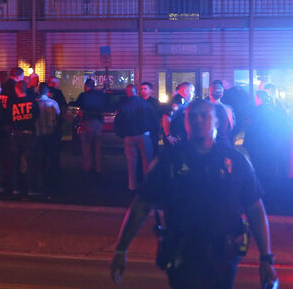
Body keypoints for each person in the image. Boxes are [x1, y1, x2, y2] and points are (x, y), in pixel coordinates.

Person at [109, 99, 277, 289]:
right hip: (183, 258)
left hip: (223, 259)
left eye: (204, 115)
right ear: (186, 122)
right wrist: (121, 249)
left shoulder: (235, 163)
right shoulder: (169, 161)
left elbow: (255, 208)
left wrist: (266, 258)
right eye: (192, 116)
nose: (198, 120)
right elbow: (141, 205)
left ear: (216, 122)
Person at [114, 84, 157, 191]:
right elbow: (153, 119)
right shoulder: (145, 104)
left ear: (127, 92)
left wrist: (122, 134)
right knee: (147, 160)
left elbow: (118, 122)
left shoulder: (123, 105)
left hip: (129, 136)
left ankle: (132, 185)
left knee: (131, 162)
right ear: (135, 91)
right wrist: (153, 133)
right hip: (144, 135)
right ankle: (148, 185)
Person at [3, 80, 38, 196]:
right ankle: (32, 188)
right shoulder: (32, 102)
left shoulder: (11, 103)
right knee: (31, 162)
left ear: (16, 89)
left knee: (15, 162)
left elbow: (7, 119)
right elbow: (37, 116)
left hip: (16, 135)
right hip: (29, 134)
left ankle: (16, 187)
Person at [34, 82, 60, 196]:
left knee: (40, 160)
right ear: (47, 91)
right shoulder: (53, 103)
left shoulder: (34, 104)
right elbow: (58, 117)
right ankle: (53, 182)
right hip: (51, 134)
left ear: (38, 91)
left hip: (38, 135)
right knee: (52, 159)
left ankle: (40, 183)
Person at [75, 78, 105, 174]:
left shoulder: (83, 95)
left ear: (86, 86)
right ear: (94, 86)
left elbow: (76, 105)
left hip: (87, 122)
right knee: (97, 147)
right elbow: (104, 95)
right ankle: (98, 168)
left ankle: (88, 167)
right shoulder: (99, 95)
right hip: (98, 123)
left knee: (86, 147)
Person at [163, 82, 195, 147]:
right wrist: (168, 136)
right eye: (192, 91)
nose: (193, 94)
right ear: (186, 91)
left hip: (179, 137)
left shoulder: (183, 102)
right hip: (174, 138)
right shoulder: (177, 102)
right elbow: (166, 118)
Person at [207, 80, 236, 148]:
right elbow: (231, 126)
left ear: (209, 94)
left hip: (209, 145)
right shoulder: (228, 109)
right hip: (224, 143)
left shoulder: (204, 109)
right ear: (222, 94)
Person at [139, 82, 161, 157]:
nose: (143, 90)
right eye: (141, 89)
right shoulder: (138, 101)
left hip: (152, 132)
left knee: (153, 152)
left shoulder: (155, 102)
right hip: (140, 131)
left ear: (150, 90)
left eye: (145, 89)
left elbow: (158, 116)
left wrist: (158, 131)